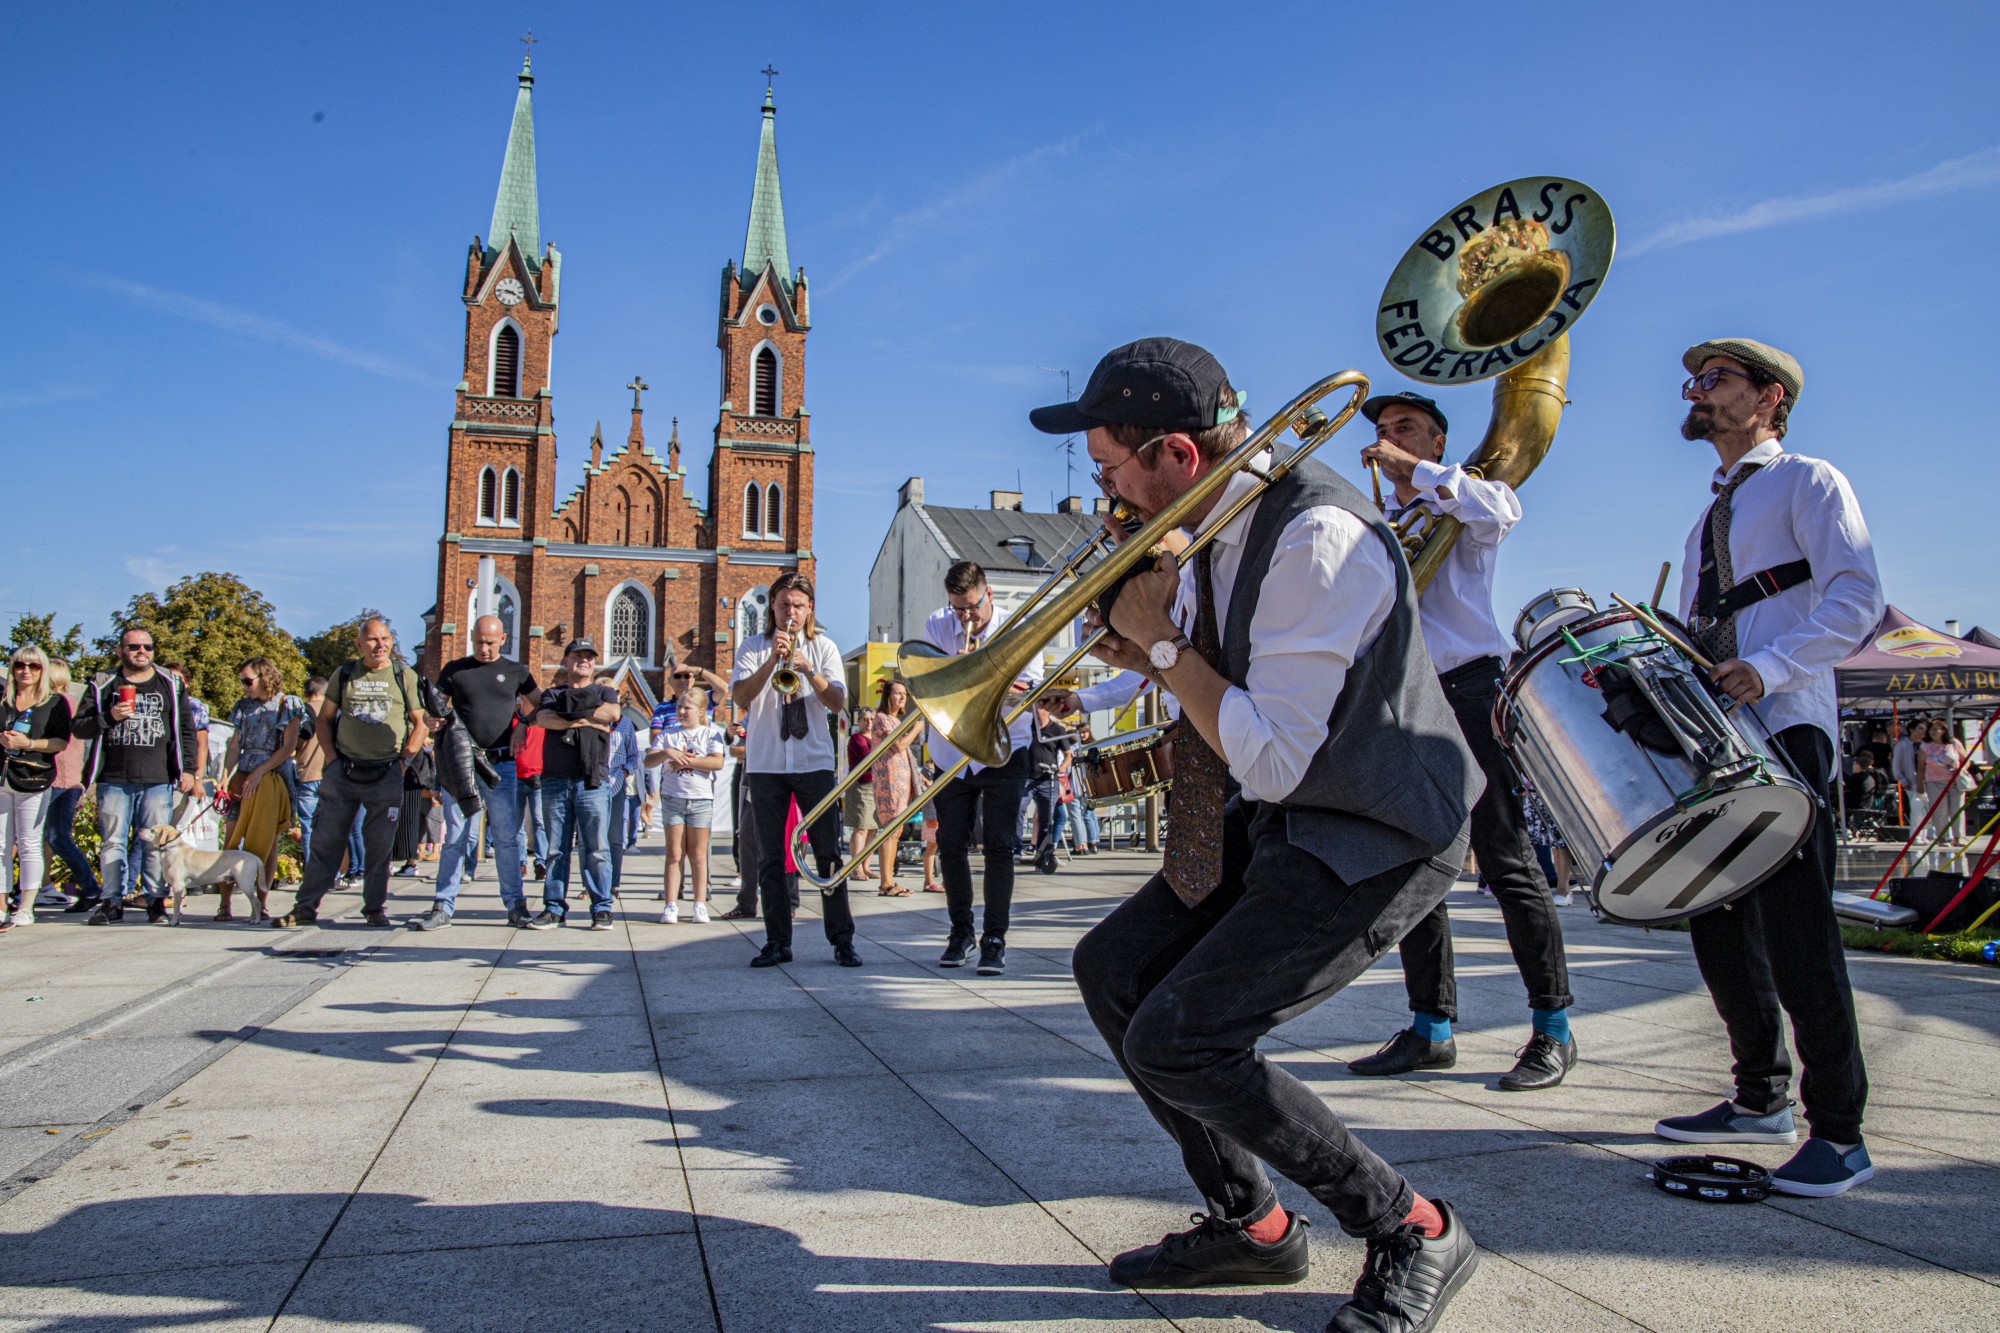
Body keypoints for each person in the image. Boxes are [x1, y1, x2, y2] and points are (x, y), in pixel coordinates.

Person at [1034, 337, 1483, 1325]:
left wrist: (1157, 644)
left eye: (1112, 468)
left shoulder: (1314, 537)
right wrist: (1150, 647)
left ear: (1178, 457)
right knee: (1112, 969)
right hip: (1286, 807)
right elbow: (1226, 706)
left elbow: (1272, 750)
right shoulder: (1211, 527)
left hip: (1379, 823)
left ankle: (1412, 1227)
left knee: (1186, 1037)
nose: (1107, 491)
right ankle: (1250, 1226)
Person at [1653, 337, 1884, 1198]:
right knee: (1716, 917)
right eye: (1697, 380)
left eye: (1716, 380)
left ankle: (1843, 1132)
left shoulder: (1809, 481)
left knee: (1796, 928)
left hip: (1786, 724)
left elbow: (1856, 595)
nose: (1698, 392)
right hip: (1721, 733)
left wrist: (1773, 667)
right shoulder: (1704, 514)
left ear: (1769, 397)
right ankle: (1759, 1096)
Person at [1344, 389, 1576, 1092]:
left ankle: (1554, 1028)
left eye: (1405, 429)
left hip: (1471, 687)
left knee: (1506, 860)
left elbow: (1506, 507)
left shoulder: (1461, 501)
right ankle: (1431, 1026)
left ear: (1438, 442)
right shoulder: (1372, 525)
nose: (1386, 440)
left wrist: (1418, 473)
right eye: (1381, 432)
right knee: (1419, 867)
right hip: (1405, 697)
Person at [730, 571, 858, 968]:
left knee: (827, 855)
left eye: (798, 606)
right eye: (784, 604)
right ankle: (776, 942)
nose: (791, 612)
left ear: (809, 609)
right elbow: (740, 696)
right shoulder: (754, 646)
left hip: (813, 763)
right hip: (767, 763)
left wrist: (807, 669)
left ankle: (842, 940)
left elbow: (838, 702)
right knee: (770, 856)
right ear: (773, 606)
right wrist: (773, 660)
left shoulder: (824, 647)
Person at [923, 561, 1042, 975]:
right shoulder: (938, 625)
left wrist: (983, 675)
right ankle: (961, 933)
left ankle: (994, 939)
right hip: (951, 753)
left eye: (972, 607)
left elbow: (1030, 688)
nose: (966, 618)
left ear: (988, 594)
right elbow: (928, 685)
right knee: (951, 845)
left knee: (999, 845)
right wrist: (954, 671)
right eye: (958, 609)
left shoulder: (1019, 627)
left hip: (1005, 748)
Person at [273, 619, 429, 928]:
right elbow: (323, 719)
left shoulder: (403, 675)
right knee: (324, 841)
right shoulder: (345, 674)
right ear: (360, 644)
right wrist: (331, 758)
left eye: (385, 638)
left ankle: (374, 908)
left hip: (385, 772)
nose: (380, 645)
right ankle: (305, 907)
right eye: (372, 639)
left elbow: (420, 724)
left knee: (379, 846)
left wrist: (402, 763)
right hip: (344, 771)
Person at [417, 616, 548, 929]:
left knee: (507, 838)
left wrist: (525, 725)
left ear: (503, 639)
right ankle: (442, 906)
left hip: (501, 765)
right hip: (461, 764)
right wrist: (430, 720)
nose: (485, 649)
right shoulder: (455, 670)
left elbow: (542, 703)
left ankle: (515, 905)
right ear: (472, 638)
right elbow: (433, 707)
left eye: (491, 642)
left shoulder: (516, 671)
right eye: (479, 642)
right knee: (455, 836)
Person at [71, 628, 201, 925]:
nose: (141, 651)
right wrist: (110, 717)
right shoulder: (104, 683)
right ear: (121, 651)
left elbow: (186, 731)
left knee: (156, 843)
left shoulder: (170, 683)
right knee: (113, 842)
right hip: (114, 777)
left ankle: (155, 901)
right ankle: (112, 902)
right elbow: (79, 727)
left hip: (157, 777)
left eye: (147, 646)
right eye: (133, 647)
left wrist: (189, 770)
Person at [526, 639, 621, 930]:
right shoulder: (553, 693)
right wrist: (585, 721)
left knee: (596, 848)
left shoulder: (604, 691)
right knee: (556, 849)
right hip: (555, 780)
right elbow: (543, 719)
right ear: (565, 661)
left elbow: (612, 714)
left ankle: (601, 907)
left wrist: (567, 717)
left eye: (589, 657)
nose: (584, 661)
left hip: (591, 780)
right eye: (577, 656)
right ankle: (554, 908)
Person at [220, 657, 309, 921]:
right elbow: (235, 745)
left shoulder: (287, 704)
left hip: (272, 774)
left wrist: (260, 772)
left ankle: (261, 902)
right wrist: (225, 776)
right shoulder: (243, 706)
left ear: (265, 677)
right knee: (231, 839)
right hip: (245, 772)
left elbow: (288, 747)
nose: (244, 686)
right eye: (242, 681)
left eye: (248, 680)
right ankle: (224, 904)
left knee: (267, 843)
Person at [1, 646, 74, 928]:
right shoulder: (3, 699)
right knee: (0, 847)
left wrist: (28, 744)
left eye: (33, 666)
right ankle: (1, 906)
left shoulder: (54, 702)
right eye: (20, 665)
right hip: (2, 778)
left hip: (34, 778)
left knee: (30, 844)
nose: (26, 671)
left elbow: (61, 742)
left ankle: (26, 907)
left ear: (43, 670)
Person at [647, 675, 728, 922]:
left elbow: (717, 761)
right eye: (680, 707)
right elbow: (649, 760)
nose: (682, 711)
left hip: (700, 798)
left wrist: (689, 760)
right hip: (674, 797)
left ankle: (699, 903)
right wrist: (666, 752)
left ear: (700, 711)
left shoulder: (710, 733)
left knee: (698, 854)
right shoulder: (668, 734)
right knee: (674, 853)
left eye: (687, 708)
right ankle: (671, 903)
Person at [42, 661, 100, 913]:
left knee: (57, 836)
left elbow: (67, 746)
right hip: (61, 779)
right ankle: (40, 887)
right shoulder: (66, 702)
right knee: (43, 837)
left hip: (63, 781)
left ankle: (90, 887)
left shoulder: (62, 703)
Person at [868, 680, 919, 895]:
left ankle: (889, 880)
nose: (902, 697)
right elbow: (898, 746)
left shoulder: (895, 721)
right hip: (888, 781)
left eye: (904, 694)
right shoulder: (881, 719)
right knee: (890, 830)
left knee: (896, 832)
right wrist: (916, 728)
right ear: (888, 696)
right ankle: (886, 882)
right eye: (897, 693)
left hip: (900, 782)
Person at [606, 707, 645, 894]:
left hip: (617, 784)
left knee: (615, 836)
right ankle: (589, 884)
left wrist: (625, 771)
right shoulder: (590, 719)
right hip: (593, 784)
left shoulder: (626, 724)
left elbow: (634, 755)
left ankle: (613, 882)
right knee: (590, 839)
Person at [1919, 717, 1969, 853]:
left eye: (1936, 729)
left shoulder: (1953, 743)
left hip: (1954, 781)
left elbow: (1966, 760)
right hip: (1934, 782)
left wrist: (1961, 769)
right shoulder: (1925, 746)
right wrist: (1920, 784)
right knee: (1940, 811)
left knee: (1957, 809)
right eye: (1931, 730)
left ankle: (1958, 837)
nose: (1933, 732)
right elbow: (1921, 766)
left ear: (1943, 730)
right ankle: (1942, 838)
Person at [844, 704, 879, 882]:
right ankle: (855, 868)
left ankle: (866, 866)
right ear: (858, 722)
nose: (869, 723)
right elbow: (870, 757)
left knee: (873, 829)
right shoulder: (856, 738)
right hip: (861, 787)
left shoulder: (877, 738)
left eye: (872, 719)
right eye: (865, 719)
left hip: (875, 786)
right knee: (861, 828)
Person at [1890, 717, 1923, 819]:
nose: (1923, 731)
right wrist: (1904, 782)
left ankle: (1931, 834)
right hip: (1912, 782)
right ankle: (1917, 834)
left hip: (1928, 781)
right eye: (1920, 728)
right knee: (1917, 812)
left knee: (1929, 810)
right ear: (1912, 730)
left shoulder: (1925, 745)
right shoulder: (1902, 745)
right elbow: (1896, 767)